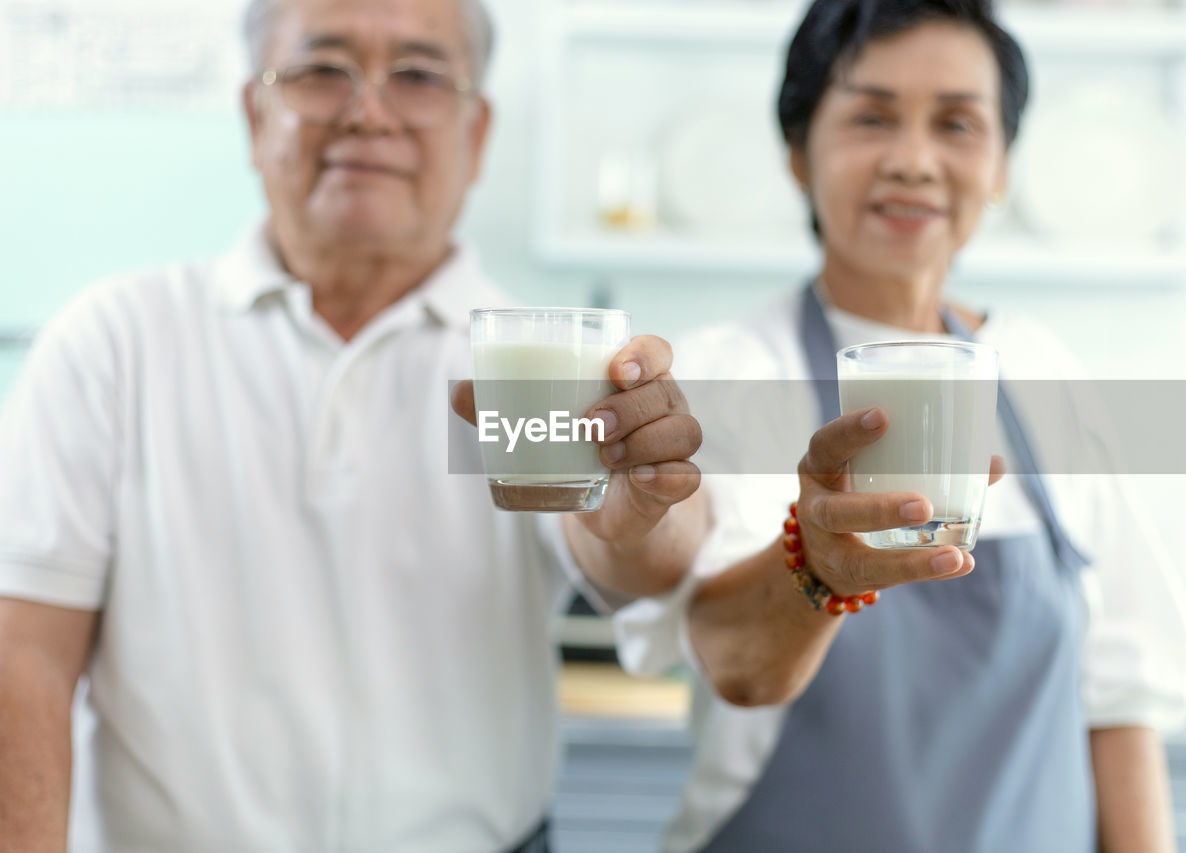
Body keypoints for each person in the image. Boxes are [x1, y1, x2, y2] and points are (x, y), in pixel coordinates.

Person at [0, 0, 705, 850]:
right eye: (322, 69)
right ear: (255, 114)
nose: (369, 111)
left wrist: (643, 507)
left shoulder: (530, 358)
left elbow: (628, 554)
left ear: (476, 132)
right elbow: (24, 655)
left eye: (416, 75)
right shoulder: (117, 341)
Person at [614, 1, 1186, 851]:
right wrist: (813, 561)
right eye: (871, 116)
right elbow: (734, 659)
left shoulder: (1041, 374)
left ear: (1002, 165)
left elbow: (1119, 704)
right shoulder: (729, 374)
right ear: (796, 153)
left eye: (959, 123)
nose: (914, 161)